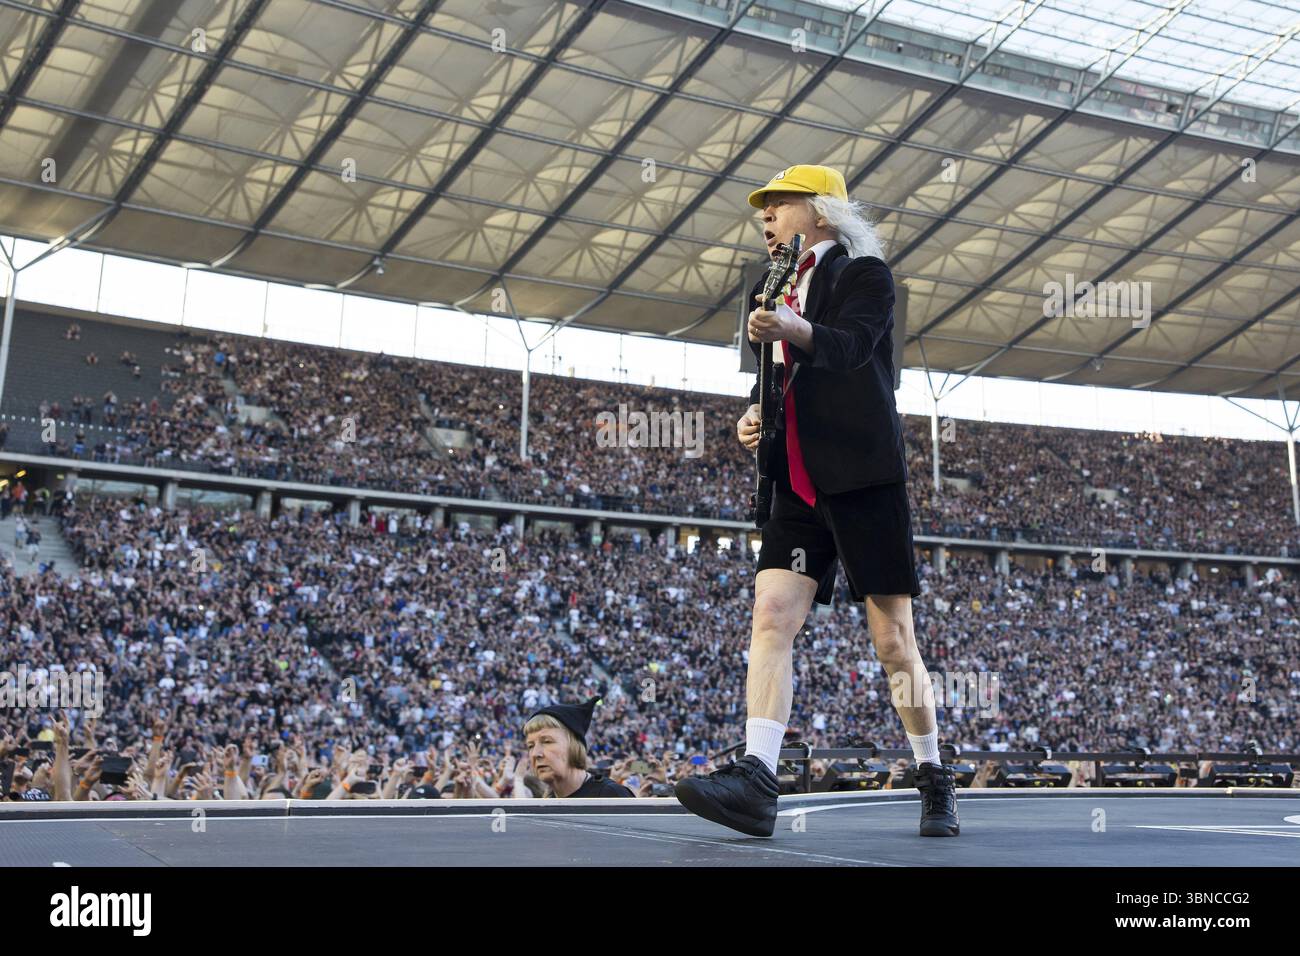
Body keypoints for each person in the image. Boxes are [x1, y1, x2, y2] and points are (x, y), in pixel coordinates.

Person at [674, 164, 958, 838]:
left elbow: (854, 348)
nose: (765, 217)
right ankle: (758, 777)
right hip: (794, 479)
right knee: (771, 613)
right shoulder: (770, 286)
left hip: (862, 475)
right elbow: (782, 376)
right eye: (763, 208)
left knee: (893, 641)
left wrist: (789, 328)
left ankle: (933, 771)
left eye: (778, 205)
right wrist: (752, 413)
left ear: (821, 213)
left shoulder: (864, 274)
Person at [523, 696, 633, 798]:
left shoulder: (611, 795)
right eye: (530, 746)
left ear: (574, 746)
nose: (535, 753)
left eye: (547, 741)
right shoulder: (545, 803)